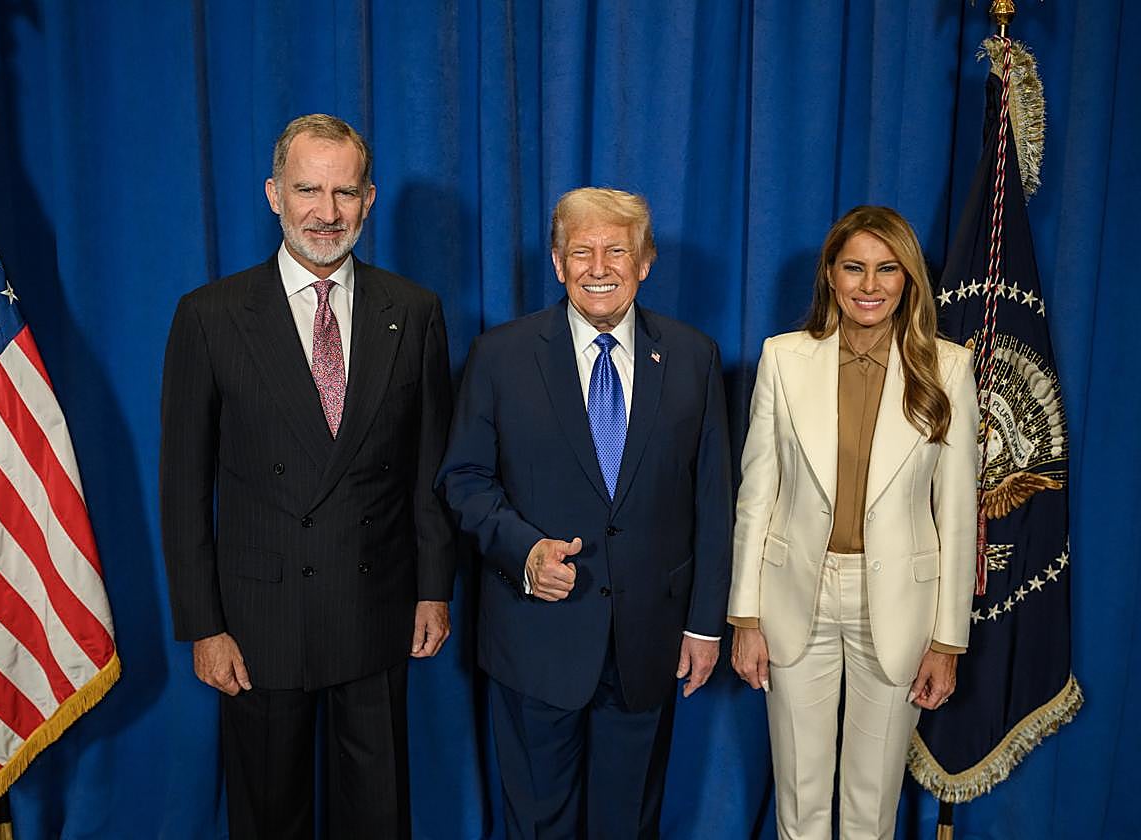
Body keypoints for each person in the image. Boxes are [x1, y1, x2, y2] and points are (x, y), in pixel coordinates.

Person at [160, 114, 456, 840]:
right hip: (259, 621)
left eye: (344, 193)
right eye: (307, 190)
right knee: (269, 819)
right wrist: (204, 626)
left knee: (379, 818)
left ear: (369, 200)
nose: (327, 212)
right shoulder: (210, 316)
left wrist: (433, 588)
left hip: (376, 605)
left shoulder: (414, 311)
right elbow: (182, 489)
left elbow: (429, 469)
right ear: (274, 195)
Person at [437, 187, 732, 839]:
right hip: (534, 640)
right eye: (581, 251)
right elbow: (464, 479)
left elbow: (714, 501)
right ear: (556, 261)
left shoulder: (693, 357)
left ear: (645, 261)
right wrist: (524, 550)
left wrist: (705, 626)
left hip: (647, 643)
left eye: (617, 251)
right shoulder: (500, 356)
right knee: (537, 825)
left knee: (627, 826)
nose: (599, 267)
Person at [728, 205, 978, 839]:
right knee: (800, 799)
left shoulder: (948, 368)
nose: (870, 285)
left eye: (887, 269)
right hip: (795, 596)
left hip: (899, 605)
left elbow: (957, 514)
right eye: (854, 268)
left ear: (908, 278)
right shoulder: (783, 358)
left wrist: (948, 641)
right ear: (830, 276)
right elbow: (757, 495)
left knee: (872, 806)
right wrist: (745, 616)